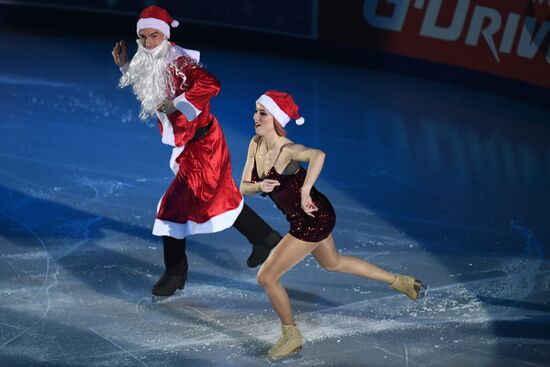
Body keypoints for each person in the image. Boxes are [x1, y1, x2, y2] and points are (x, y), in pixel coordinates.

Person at [240, 90, 426, 359]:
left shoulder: (288, 151)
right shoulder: (255, 144)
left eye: (263, 113)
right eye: (256, 111)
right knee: (333, 263)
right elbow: (244, 187)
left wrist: (305, 191)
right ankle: (402, 282)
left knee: (267, 277)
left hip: (312, 219)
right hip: (306, 217)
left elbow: (318, 155)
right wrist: (259, 185)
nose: (256, 117)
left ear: (277, 119)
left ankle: (291, 335)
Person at [112, 5, 281, 297]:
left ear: (165, 34)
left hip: (203, 147)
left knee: (170, 208)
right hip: (193, 145)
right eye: (144, 37)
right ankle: (265, 237)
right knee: (218, 199)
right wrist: (126, 68)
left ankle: (175, 271)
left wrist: (177, 104)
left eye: (155, 36)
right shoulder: (151, 56)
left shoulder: (179, 61)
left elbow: (211, 84)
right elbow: (151, 89)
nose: (149, 42)